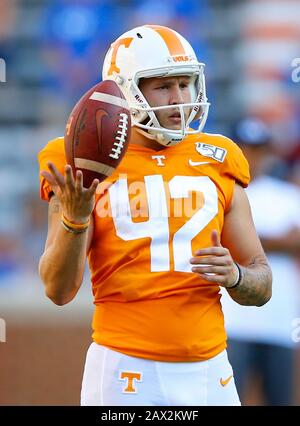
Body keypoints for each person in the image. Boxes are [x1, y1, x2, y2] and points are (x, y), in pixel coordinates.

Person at [38, 25, 272, 406]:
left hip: (211, 368)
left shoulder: (220, 157)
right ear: (125, 90)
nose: (179, 99)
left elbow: (262, 283)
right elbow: (58, 290)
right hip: (126, 368)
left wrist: (236, 276)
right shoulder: (84, 157)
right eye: (162, 86)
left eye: (185, 83)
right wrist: (75, 219)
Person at [221, 118, 300, 406]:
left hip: (280, 324)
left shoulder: (288, 196)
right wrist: (281, 241)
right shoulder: (222, 191)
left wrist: (240, 238)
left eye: (256, 149)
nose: (250, 155)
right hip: (233, 323)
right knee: (228, 399)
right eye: (244, 148)